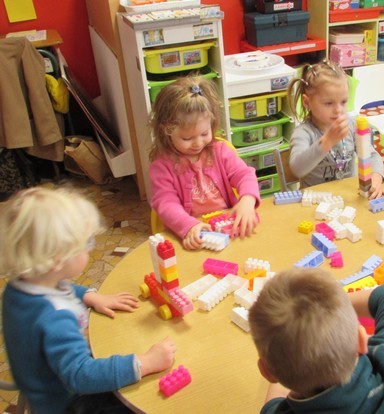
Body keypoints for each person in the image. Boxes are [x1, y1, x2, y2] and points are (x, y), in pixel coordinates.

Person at [0, 187, 176, 414]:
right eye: (87, 244)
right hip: (68, 401)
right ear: (57, 260)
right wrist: (145, 363)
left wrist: (90, 296)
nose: (91, 249)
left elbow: (60, 286)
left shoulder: (22, 284)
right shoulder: (55, 320)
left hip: (43, 379)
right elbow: (81, 376)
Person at [248, 267, 384, 413]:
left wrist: (280, 366)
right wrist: (335, 307)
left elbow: (271, 405)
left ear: (266, 372)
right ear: (362, 341)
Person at [149, 76, 261, 250]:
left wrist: (247, 200)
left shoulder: (220, 150)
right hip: (193, 233)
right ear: (166, 131)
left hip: (227, 227)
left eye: (204, 133)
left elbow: (244, 174)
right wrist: (189, 226)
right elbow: (165, 203)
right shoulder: (162, 166)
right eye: (187, 138)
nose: (198, 143)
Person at [287, 60, 384, 198]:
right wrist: (326, 142)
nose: (338, 110)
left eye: (344, 102)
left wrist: (376, 178)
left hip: (348, 197)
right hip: (314, 201)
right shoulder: (303, 133)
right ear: (307, 102)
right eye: (328, 103)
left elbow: (372, 156)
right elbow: (297, 168)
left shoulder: (352, 125)